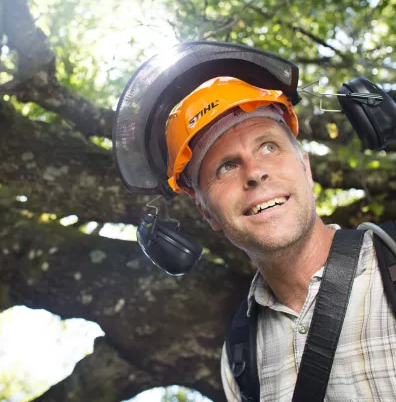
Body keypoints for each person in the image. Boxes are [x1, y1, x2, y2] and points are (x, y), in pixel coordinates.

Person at [113, 42, 396, 401]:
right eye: (226, 166)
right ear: (206, 212)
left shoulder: (392, 260)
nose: (255, 173)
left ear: (306, 169)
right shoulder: (238, 358)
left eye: (268, 147)